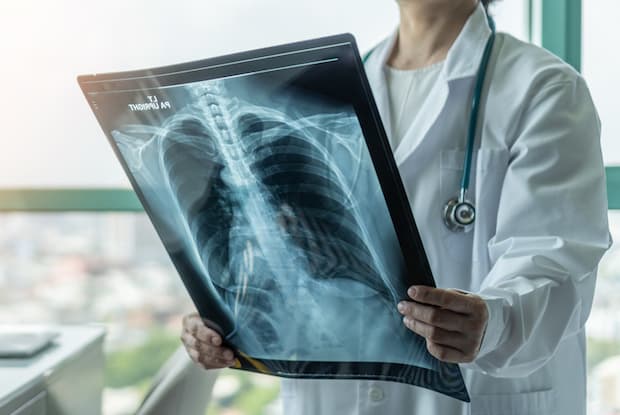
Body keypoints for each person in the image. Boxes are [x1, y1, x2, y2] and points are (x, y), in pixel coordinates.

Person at [180, 0, 611, 413]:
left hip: (480, 397)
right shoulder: (327, 94)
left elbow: (555, 260)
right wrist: (227, 316)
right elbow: (294, 260)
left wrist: (494, 321)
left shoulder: (542, 88)